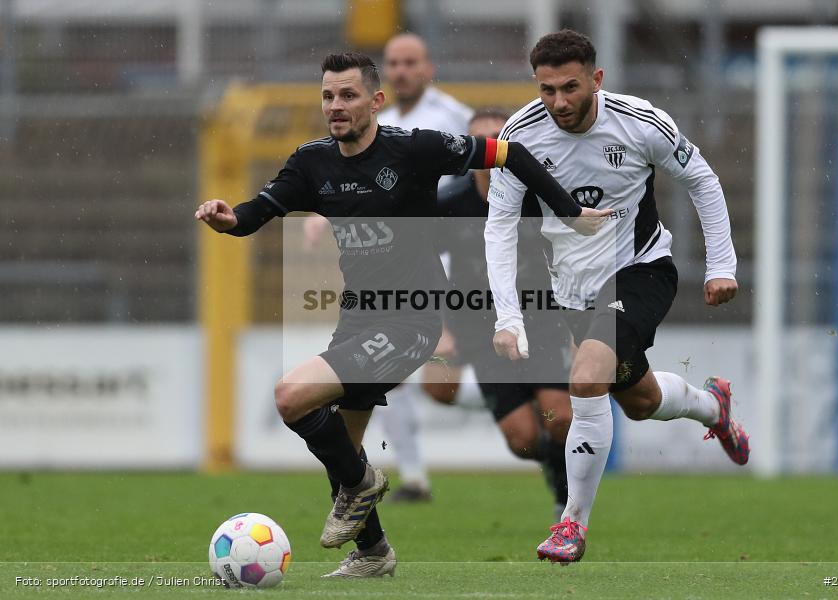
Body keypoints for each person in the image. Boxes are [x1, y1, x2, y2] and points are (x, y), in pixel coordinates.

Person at [196, 51, 606, 577]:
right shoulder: (311, 161)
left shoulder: (416, 149)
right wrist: (229, 219)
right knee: (342, 448)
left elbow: (514, 154)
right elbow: (257, 212)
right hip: (358, 318)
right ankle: (373, 553)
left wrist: (569, 212)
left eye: (348, 95)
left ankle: (362, 484)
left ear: (376, 101)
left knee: (290, 396)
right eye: (328, 96)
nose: (336, 106)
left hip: (411, 320)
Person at [484, 30, 749, 564]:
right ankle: (710, 406)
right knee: (641, 401)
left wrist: (722, 264)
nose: (558, 101)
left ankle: (570, 525)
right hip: (572, 293)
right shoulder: (521, 135)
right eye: (547, 89)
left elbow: (702, 178)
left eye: (570, 87)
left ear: (596, 79)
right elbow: (500, 226)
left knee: (586, 379)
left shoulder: (638, 122)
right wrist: (507, 317)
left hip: (641, 270)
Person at [304, 33, 474, 502]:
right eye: (394, 63)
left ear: (428, 68)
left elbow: (482, 174)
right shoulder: (379, 123)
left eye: (410, 62)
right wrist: (322, 212)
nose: (401, 70)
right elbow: (351, 186)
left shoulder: (451, 115)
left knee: (441, 376)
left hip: (453, 265)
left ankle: (531, 406)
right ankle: (412, 478)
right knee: (386, 380)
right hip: (395, 272)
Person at [422, 109, 571, 519]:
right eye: (478, 140)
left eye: (496, 138)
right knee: (522, 438)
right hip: (476, 328)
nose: (487, 148)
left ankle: (566, 498)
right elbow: (420, 261)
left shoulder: (536, 198)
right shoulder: (449, 203)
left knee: (560, 416)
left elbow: (569, 255)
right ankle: (549, 456)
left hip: (539, 320)